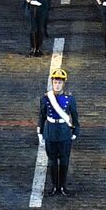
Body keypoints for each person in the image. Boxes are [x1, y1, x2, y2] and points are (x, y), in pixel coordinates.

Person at [38, 67, 79, 197]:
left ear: (63, 83)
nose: (57, 85)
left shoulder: (69, 99)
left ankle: (63, 185)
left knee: (65, 161)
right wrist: (40, 131)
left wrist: (75, 131)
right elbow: (42, 115)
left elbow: (75, 116)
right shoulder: (46, 98)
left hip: (64, 132)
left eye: (59, 82)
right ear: (52, 82)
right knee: (53, 161)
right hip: (50, 131)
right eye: (55, 82)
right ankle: (54, 185)